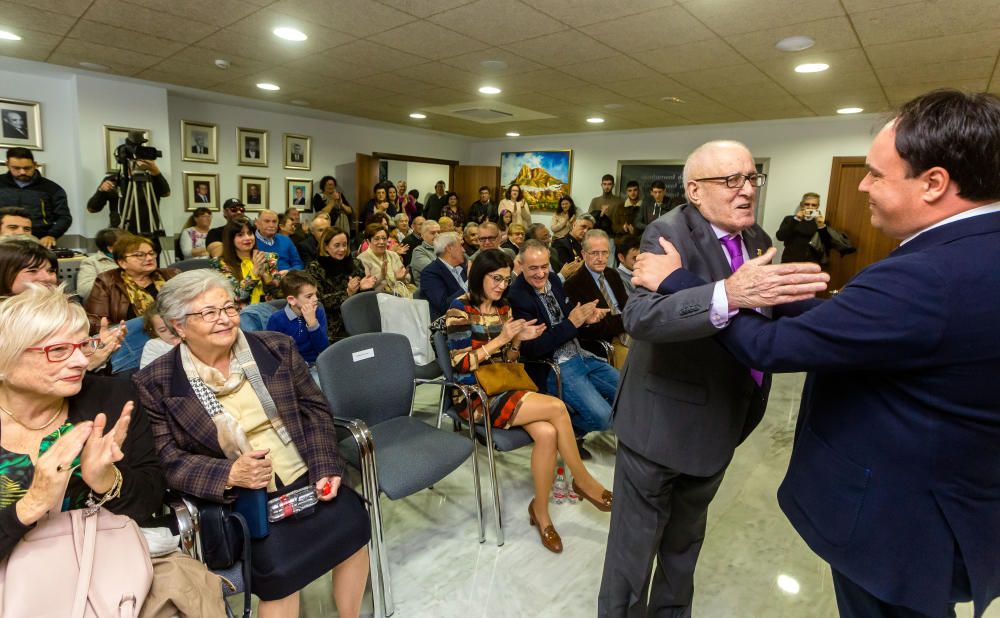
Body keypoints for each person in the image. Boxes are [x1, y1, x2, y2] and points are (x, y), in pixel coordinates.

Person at [647, 90, 1000, 618]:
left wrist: (682, 282)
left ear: (934, 183)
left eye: (878, 175)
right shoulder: (977, 251)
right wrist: (783, 296)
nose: (862, 185)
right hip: (948, 503)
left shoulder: (927, 275)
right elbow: (863, 329)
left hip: (900, 525)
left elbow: (768, 348)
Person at [598, 140, 828, 616]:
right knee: (632, 557)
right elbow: (639, 318)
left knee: (684, 550)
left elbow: (765, 312)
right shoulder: (666, 233)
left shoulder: (760, 239)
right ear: (695, 192)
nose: (747, 191)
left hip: (722, 421)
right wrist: (727, 293)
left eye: (751, 179)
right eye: (731, 181)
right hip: (659, 425)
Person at [133, 270, 371, 618]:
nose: (225, 319)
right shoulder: (156, 383)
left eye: (229, 308)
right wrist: (231, 473)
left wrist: (325, 466)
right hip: (245, 497)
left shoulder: (274, 346)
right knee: (280, 574)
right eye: (209, 313)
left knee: (352, 532)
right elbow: (168, 461)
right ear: (179, 326)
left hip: (306, 469)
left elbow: (315, 410)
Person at [446, 248, 612, 553]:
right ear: (479, 276)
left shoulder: (505, 308)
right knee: (557, 407)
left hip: (507, 384)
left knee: (548, 433)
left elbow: (511, 360)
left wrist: (519, 341)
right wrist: (500, 339)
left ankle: (541, 512)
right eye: (496, 279)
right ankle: (583, 479)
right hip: (475, 394)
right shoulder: (459, 310)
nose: (500, 286)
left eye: (505, 280)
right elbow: (460, 364)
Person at [0, 285, 166, 568]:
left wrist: (106, 479)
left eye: (83, 345)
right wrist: (31, 505)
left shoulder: (113, 399)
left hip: (103, 567)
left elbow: (149, 502)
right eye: (59, 350)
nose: (80, 361)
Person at [508, 240, 618, 442]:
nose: (541, 273)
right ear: (520, 265)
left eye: (544, 266)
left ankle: (572, 428)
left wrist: (586, 320)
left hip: (582, 355)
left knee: (626, 393)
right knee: (604, 418)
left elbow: (569, 318)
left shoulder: (554, 280)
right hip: (556, 366)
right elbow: (533, 348)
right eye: (533, 268)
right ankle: (565, 429)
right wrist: (572, 323)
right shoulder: (517, 296)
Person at [84, 234, 179, 334]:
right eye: (140, 255)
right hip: (130, 337)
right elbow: (95, 321)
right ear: (122, 263)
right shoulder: (106, 281)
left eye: (151, 253)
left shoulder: (171, 275)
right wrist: (119, 332)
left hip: (175, 331)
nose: (149, 258)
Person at [563, 229, 630, 366]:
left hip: (628, 332)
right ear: (583, 254)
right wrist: (627, 320)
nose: (600, 258)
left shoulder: (613, 274)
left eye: (604, 253)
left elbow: (627, 307)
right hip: (606, 343)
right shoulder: (573, 284)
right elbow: (593, 329)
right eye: (594, 253)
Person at [306, 227, 376, 342]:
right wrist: (347, 293)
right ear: (326, 246)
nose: (342, 249)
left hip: (357, 317)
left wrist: (363, 288)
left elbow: (364, 299)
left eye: (345, 244)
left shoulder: (355, 263)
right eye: (337, 245)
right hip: (332, 323)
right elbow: (318, 301)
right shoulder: (315, 268)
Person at [0, 148, 71, 248]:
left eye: (27, 168)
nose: (22, 172)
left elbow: (64, 217)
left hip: (40, 241)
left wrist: (52, 235)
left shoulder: (52, 188)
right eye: (16, 168)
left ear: (35, 164)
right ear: (7, 165)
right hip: (3, 240)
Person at [266, 270, 329, 371]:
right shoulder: (276, 320)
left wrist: (313, 324)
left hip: (316, 364)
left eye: (315, 294)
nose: (316, 299)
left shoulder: (318, 312)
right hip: (291, 369)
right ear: (291, 300)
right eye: (309, 296)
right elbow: (273, 353)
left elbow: (323, 348)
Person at [211, 216, 281, 306]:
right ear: (230, 239)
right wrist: (254, 273)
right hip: (239, 314)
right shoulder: (220, 263)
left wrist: (265, 276)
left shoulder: (268, 258)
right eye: (240, 235)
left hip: (268, 311)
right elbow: (237, 296)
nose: (247, 238)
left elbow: (278, 294)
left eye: (250, 233)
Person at [420, 231, 467, 320]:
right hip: (449, 323)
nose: (463, 250)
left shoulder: (463, 266)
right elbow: (444, 306)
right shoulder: (430, 273)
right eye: (460, 246)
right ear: (449, 248)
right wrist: (469, 284)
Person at [357, 224, 413, 298]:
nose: (381, 242)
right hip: (378, 298)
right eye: (377, 239)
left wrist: (401, 278)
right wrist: (381, 275)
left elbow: (407, 278)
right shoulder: (362, 259)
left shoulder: (393, 255)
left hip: (400, 294)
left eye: (384, 238)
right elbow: (366, 288)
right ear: (368, 241)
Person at [775, 192, 831, 264]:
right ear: (802, 205)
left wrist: (821, 226)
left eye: (814, 205)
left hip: (812, 262)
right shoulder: (789, 219)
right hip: (790, 261)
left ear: (817, 207)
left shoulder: (822, 222)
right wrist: (796, 219)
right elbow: (780, 237)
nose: (810, 207)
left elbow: (827, 244)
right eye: (807, 204)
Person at [76, 227, 126, 300]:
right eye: (126, 244)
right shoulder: (91, 262)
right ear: (111, 248)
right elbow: (84, 290)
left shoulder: (136, 259)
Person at [139, 305, 180, 370]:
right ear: (155, 332)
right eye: (163, 330)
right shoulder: (153, 345)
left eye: (173, 326)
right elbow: (147, 374)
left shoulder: (192, 336)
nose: (171, 332)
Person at [409, 219, 439, 287]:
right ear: (422, 235)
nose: (437, 235)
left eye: (438, 232)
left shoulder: (443, 249)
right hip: (428, 291)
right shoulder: (419, 251)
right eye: (433, 233)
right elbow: (434, 271)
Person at [613, 180, 641, 246]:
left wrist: (634, 231)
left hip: (637, 243)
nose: (632, 193)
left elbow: (647, 227)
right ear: (627, 192)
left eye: (635, 190)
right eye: (630, 191)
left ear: (639, 191)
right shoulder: (620, 207)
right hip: (621, 242)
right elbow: (614, 226)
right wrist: (622, 228)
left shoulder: (644, 207)